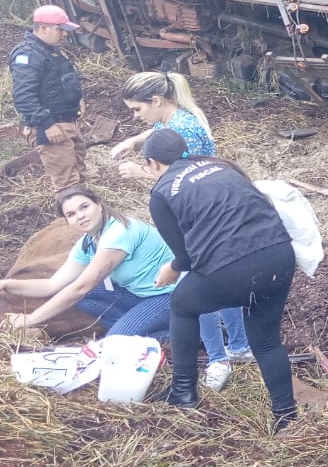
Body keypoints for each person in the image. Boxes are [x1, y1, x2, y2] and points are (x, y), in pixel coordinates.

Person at [142, 129, 297, 431]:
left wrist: (172, 268)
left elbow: (185, 258)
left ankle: (183, 392)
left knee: (182, 304)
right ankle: (286, 416)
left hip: (232, 267)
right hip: (279, 255)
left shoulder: (162, 192)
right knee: (265, 341)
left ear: (152, 163)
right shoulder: (223, 166)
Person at [110, 71, 252, 392]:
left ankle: (218, 359)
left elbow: (183, 182)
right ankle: (240, 345)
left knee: (193, 291)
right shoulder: (173, 120)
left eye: (137, 109)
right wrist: (134, 140)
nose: (136, 116)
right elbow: (158, 134)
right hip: (212, 214)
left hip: (202, 218)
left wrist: (140, 173)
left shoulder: (185, 130)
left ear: (156, 100)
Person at [0, 187, 175, 338]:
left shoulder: (119, 232)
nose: (80, 216)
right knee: (68, 291)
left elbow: (81, 288)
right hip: (140, 294)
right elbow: (51, 285)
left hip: (170, 295)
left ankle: (187, 331)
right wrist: (6, 284)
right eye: (71, 214)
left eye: (84, 207)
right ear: (67, 221)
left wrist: (30, 319)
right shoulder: (87, 243)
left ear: (98, 205)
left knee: (116, 340)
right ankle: (137, 321)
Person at [8, 4, 85, 191]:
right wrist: (47, 124)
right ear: (43, 28)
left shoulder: (49, 49)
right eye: (61, 29)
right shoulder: (28, 54)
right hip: (51, 127)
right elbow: (23, 96)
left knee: (79, 177)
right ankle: (72, 218)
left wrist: (79, 99)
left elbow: (60, 80)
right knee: (68, 185)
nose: (65, 34)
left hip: (66, 122)